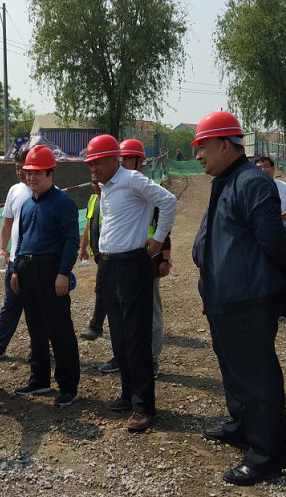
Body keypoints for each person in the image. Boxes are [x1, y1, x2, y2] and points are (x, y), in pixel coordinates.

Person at [192, 111, 286, 485]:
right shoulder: (226, 180)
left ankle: (266, 456)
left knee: (257, 376)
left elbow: (276, 243)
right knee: (233, 369)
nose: (198, 155)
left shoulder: (252, 182)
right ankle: (241, 425)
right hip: (224, 296)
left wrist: (261, 281)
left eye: (202, 146)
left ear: (224, 145)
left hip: (247, 298)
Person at [85, 134, 177, 433]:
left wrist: (158, 240)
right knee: (119, 335)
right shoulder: (106, 187)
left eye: (98, 162)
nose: (93, 168)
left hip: (132, 265)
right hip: (109, 265)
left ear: (114, 159)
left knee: (136, 336)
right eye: (90, 164)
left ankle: (144, 407)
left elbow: (168, 201)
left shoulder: (132, 179)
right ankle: (128, 394)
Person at [10, 145, 81, 407]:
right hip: (27, 270)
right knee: (35, 328)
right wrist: (16, 269)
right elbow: (22, 240)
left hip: (50, 271)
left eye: (37, 172)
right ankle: (39, 379)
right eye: (28, 172)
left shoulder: (63, 203)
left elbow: (71, 241)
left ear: (51, 173)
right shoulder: (27, 204)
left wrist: (63, 273)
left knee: (60, 330)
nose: (31, 177)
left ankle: (68, 386)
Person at [0, 150, 32, 364]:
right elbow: (7, 222)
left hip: (37, 262)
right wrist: (3, 248)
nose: (20, 172)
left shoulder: (49, 192)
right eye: (17, 168)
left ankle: (38, 348)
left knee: (37, 309)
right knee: (10, 306)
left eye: (24, 167)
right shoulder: (15, 190)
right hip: (15, 262)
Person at [255, 155, 286, 320]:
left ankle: (285, 308)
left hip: (281, 232)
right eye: (259, 167)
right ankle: (260, 309)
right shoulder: (250, 188)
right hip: (258, 235)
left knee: (284, 269)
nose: (263, 170)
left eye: (266, 166)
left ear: (273, 168)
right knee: (259, 270)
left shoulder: (283, 187)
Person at [78, 178, 105, 340]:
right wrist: (83, 248)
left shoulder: (112, 199)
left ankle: (96, 327)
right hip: (98, 253)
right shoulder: (93, 199)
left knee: (101, 289)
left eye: (98, 183)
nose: (95, 186)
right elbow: (88, 225)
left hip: (108, 253)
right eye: (93, 183)